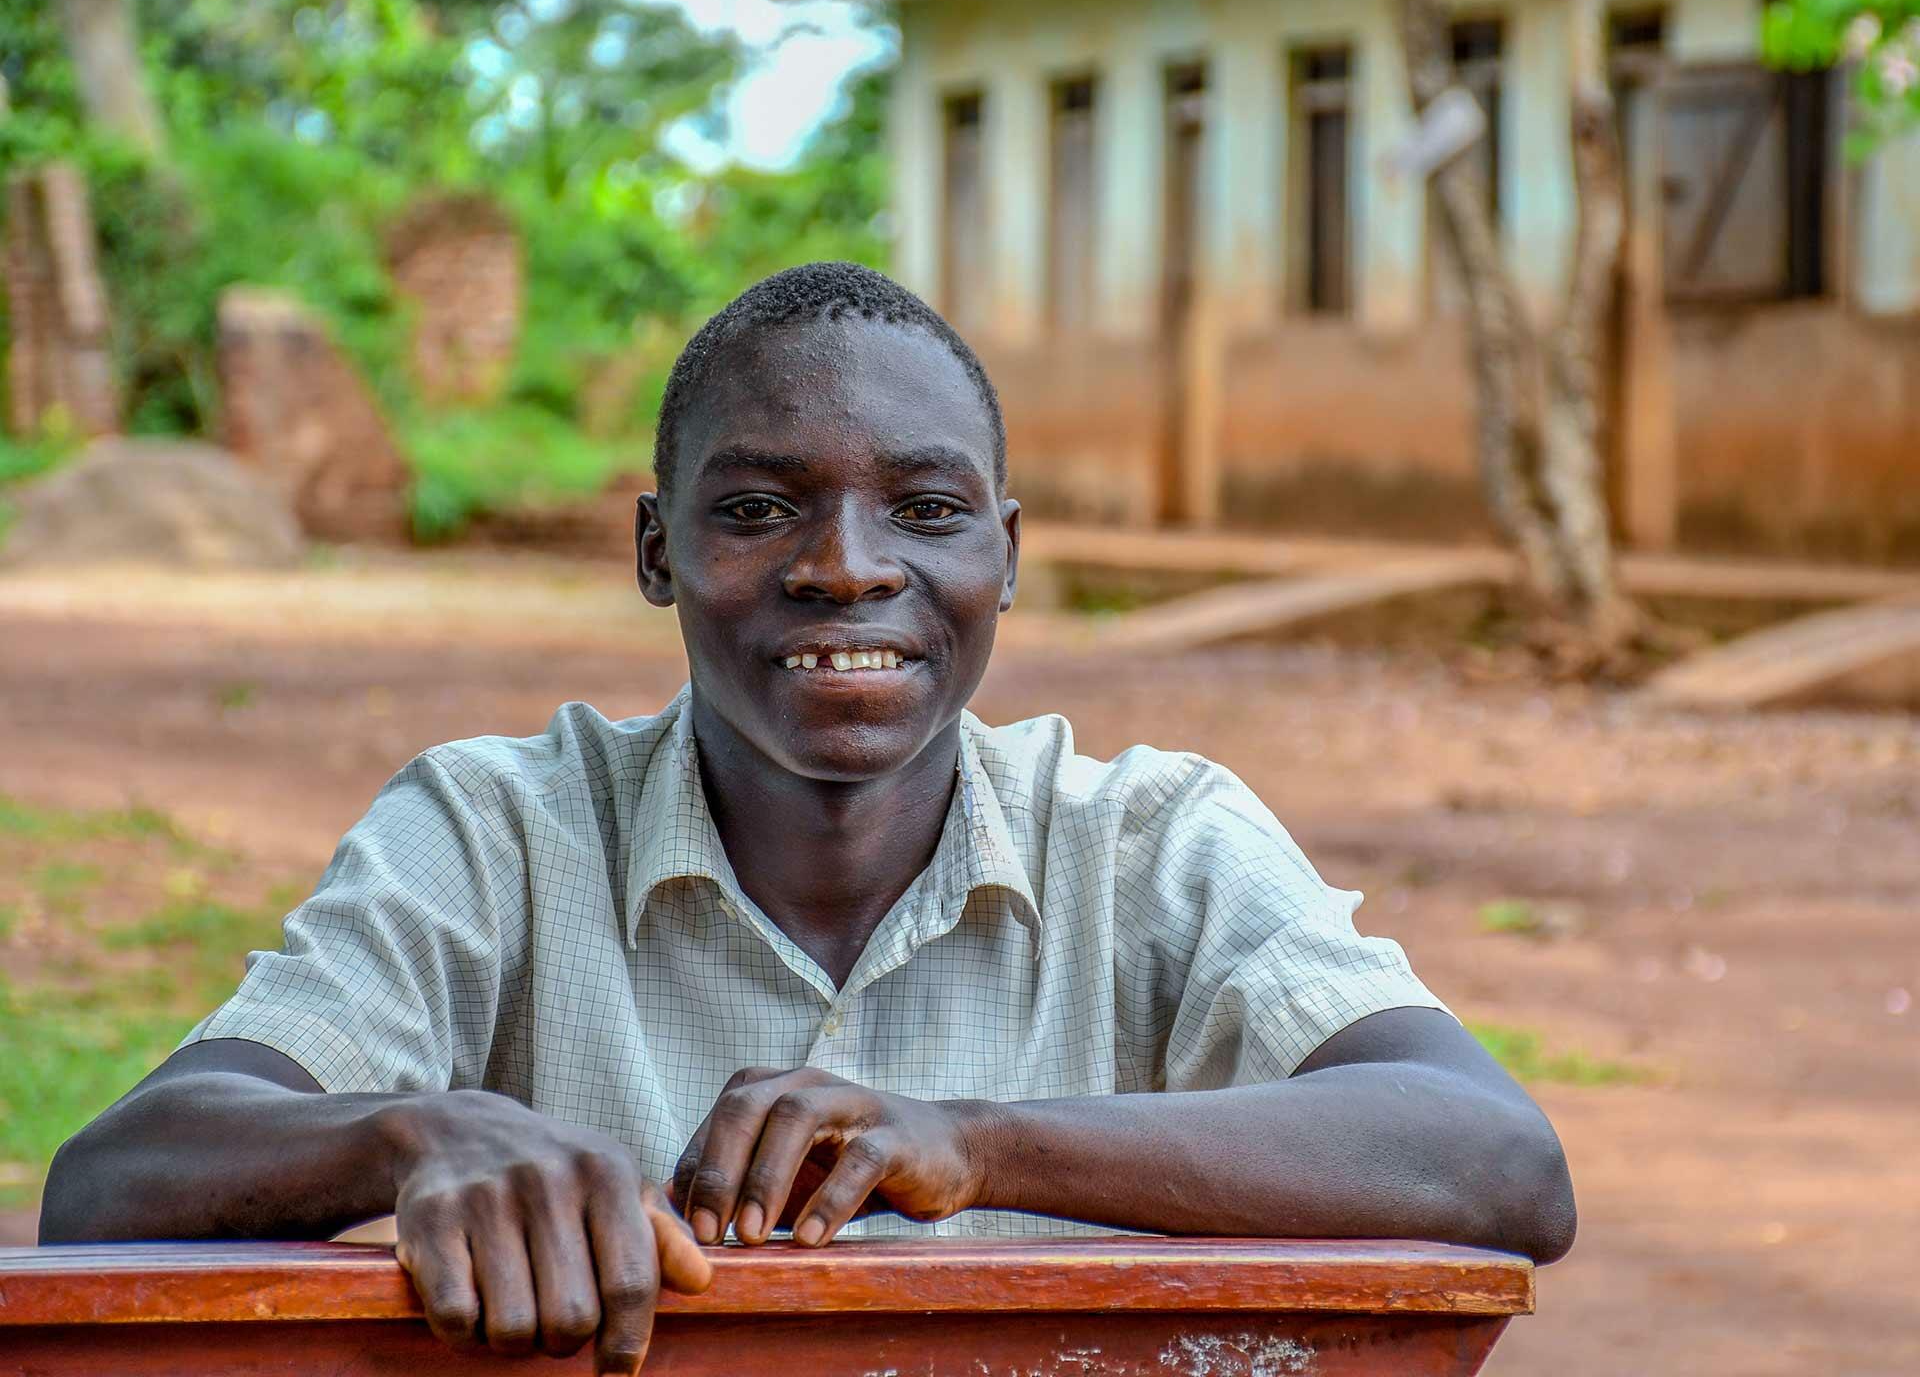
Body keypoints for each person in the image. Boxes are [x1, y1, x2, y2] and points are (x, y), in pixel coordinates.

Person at [41, 262, 1575, 1376]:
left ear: (1006, 552)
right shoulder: (497, 832)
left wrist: (975, 1146)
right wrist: (416, 1136)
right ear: (656, 550)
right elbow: (114, 1183)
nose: (845, 567)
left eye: (925, 509)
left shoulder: (1151, 839)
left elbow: (1496, 1160)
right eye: (759, 507)